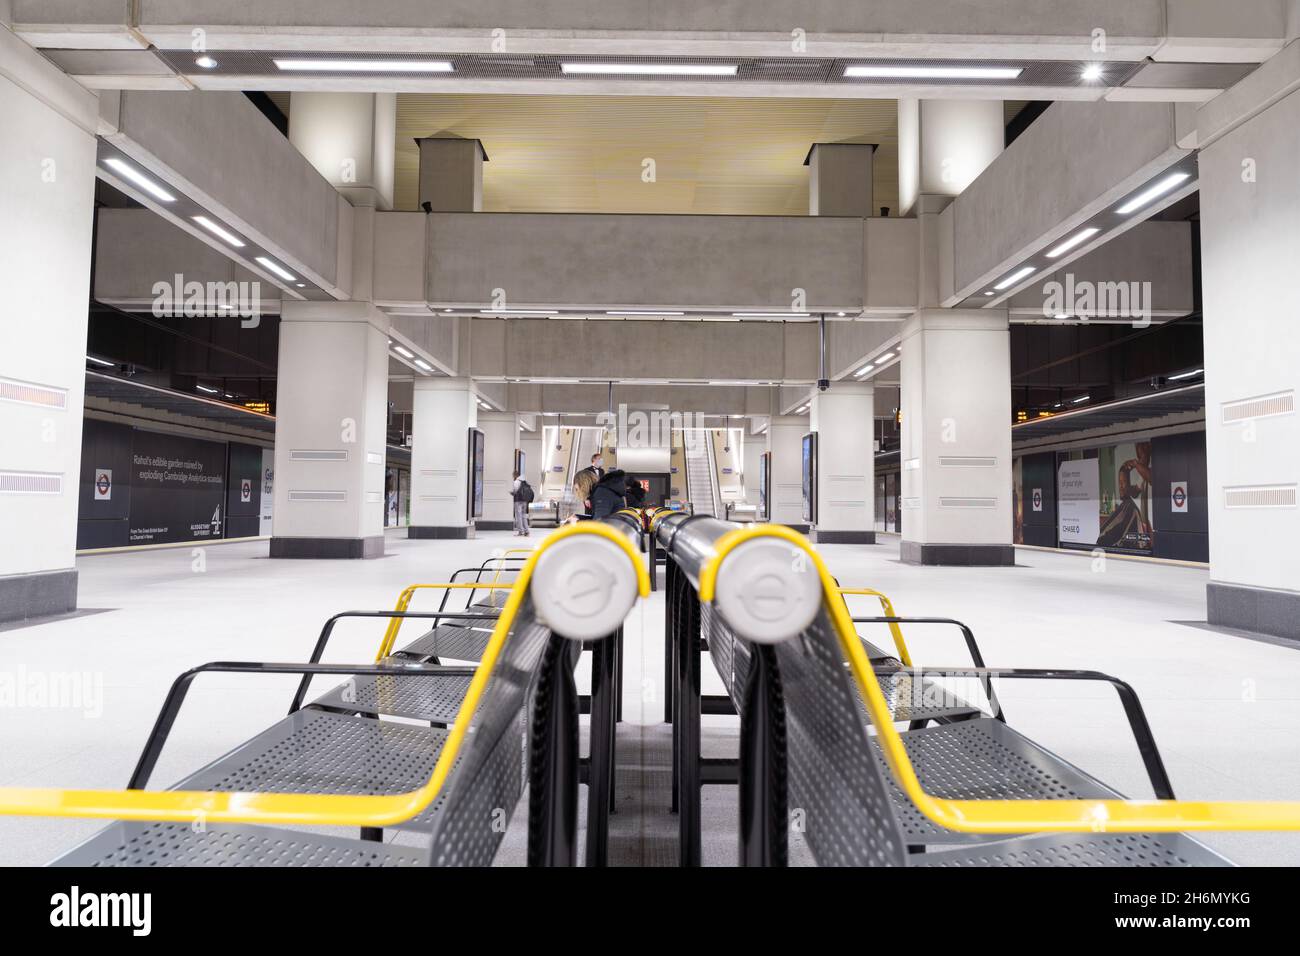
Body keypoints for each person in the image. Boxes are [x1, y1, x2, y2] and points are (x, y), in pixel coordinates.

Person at [510, 470, 534, 536]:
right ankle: (527, 531)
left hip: (518, 501)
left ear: (515, 475)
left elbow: (514, 491)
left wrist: (511, 493)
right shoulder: (524, 481)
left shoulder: (516, 482)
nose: (513, 476)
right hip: (525, 501)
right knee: (524, 516)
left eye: (513, 475)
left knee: (518, 516)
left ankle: (521, 531)